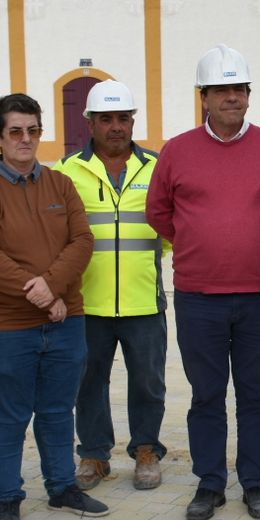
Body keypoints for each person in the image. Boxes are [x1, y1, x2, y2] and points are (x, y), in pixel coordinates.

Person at [147, 45, 260, 520]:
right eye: (221, 90)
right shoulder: (178, 150)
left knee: (254, 393)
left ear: (249, 96)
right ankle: (210, 483)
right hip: (197, 297)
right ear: (203, 97)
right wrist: (199, 243)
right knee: (206, 394)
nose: (232, 97)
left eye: (239, 89)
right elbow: (159, 212)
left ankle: (254, 481)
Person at [0, 92, 105, 520]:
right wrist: (43, 294)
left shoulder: (61, 185)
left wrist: (55, 288)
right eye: (16, 131)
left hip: (64, 323)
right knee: (8, 416)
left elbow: (81, 241)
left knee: (59, 411)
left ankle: (62, 487)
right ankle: (8, 499)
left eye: (33, 130)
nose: (26, 139)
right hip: (4, 328)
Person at [56, 80, 170, 492]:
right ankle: (93, 454)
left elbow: (171, 227)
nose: (116, 127)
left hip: (143, 300)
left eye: (123, 118)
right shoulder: (66, 172)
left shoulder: (157, 166)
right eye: (106, 119)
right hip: (87, 303)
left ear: (133, 120)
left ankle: (145, 451)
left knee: (148, 380)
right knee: (88, 381)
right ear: (90, 122)